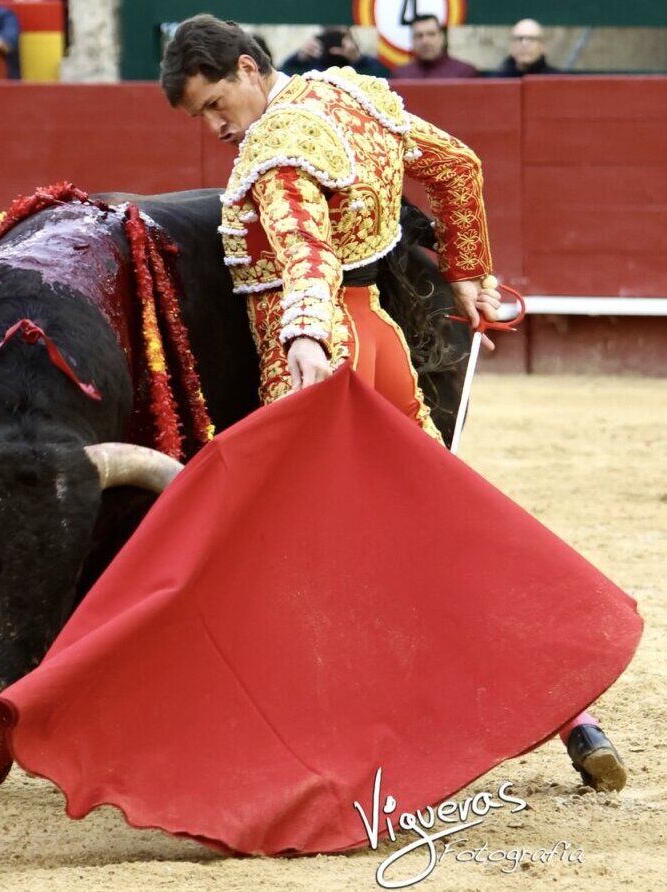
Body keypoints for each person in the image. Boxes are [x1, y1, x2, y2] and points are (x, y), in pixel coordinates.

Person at [160, 14, 627, 792]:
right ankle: (574, 717)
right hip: (381, 340)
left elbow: (304, 248)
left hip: (318, 358)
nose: (215, 128)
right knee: (436, 535)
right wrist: (471, 272)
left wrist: (305, 338)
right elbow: (458, 166)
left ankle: (323, 750)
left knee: (294, 560)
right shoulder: (353, 98)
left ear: (247, 69)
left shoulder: (277, 145)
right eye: (201, 116)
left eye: (215, 105)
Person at [390, 14, 478, 79]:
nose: (425, 41)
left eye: (431, 34)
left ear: (442, 37)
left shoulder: (464, 74)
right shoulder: (401, 76)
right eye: (419, 35)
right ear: (412, 40)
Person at [281, 25, 388, 78]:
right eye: (332, 37)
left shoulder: (362, 62)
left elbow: (386, 78)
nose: (336, 43)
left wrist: (358, 59)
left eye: (341, 37)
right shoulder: (312, 61)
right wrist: (299, 58)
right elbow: (283, 74)